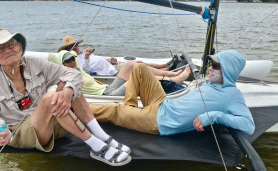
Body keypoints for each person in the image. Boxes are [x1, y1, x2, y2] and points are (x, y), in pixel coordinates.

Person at [0, 28, 131, 167]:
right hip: (23, 133)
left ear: (19, 47)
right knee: (51, 97)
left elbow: (72, 74)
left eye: (10, 45)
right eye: (0, 49)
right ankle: (96, 147)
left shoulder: (35, 64)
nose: (7, 51)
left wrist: (68, 91)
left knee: (69, 85)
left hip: (53, 123)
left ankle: (100, 135)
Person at [89, 50, 255, 136]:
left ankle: (74, 109)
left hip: (159, 121)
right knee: (138, 68)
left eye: (216, 66)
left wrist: (214, 116)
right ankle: (129, 107)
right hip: (162, 103)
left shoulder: (232, 95)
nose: (210, 67)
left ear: (229, 70)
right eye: (210, 63)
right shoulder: (210, 82)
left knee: (114, 111)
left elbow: (249, 126)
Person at [56, 50, 191, 96]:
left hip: (108, 88)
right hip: (107, 96)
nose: (72, 61)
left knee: (131, 65)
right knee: (138, 74)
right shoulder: (67, 77)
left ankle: (172, 74)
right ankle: (175, 80)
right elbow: (59, 92)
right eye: (67, 60)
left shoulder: (78, 68)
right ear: (62, 64)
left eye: (72, 58)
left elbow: (85, 68)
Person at [57, 35, 179, 77]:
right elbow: (85, 72)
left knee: (140, 63)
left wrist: (108, 60)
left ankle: (163, 66)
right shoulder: (74, 60)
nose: (75, 48)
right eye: (71, 47)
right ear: (68, 50)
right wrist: (88, 58)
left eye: (76, 45)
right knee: (138, 68)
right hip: (111, 72)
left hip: (112, 65)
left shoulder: (84, 53)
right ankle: (166, 71)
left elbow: (97, 60)